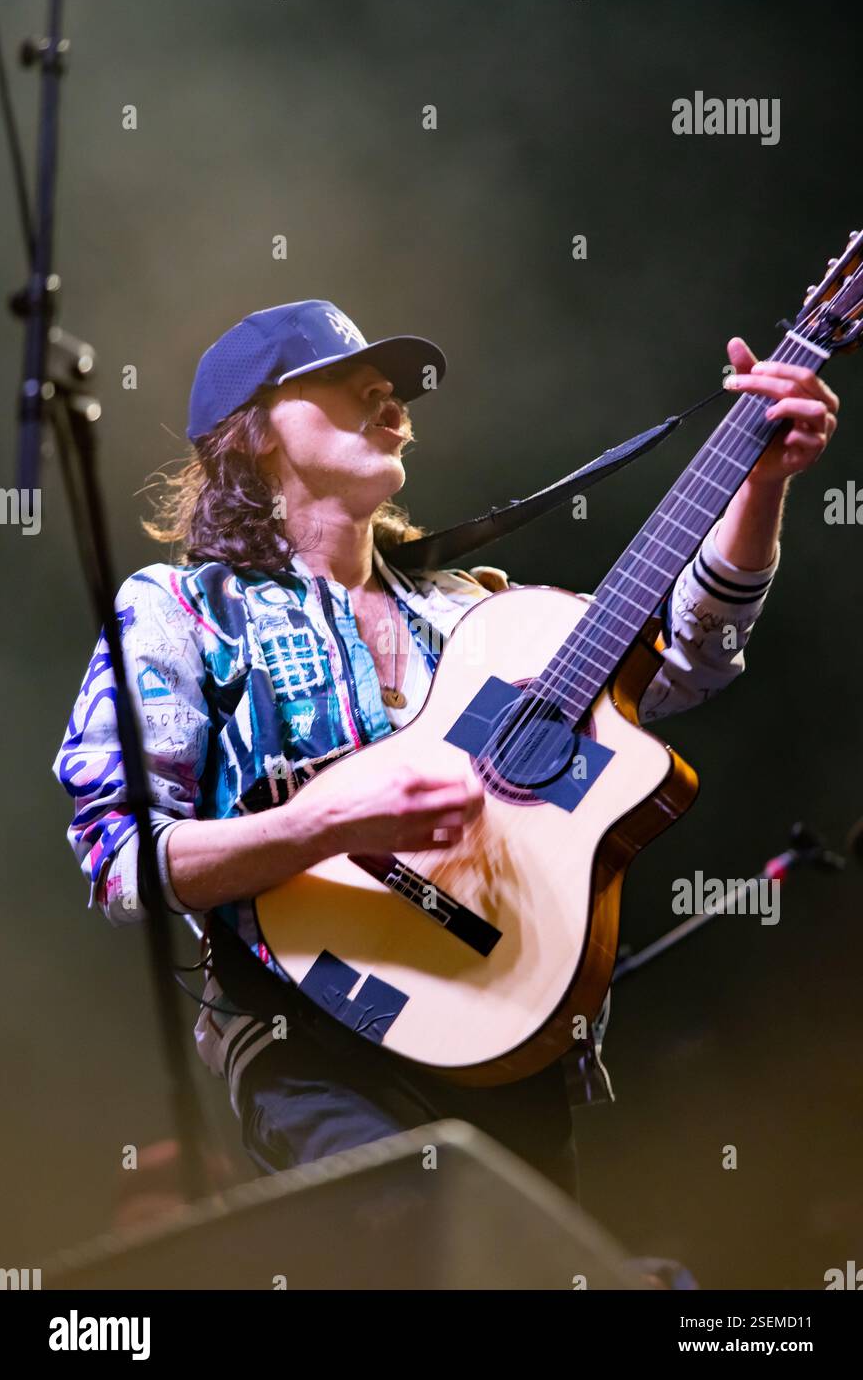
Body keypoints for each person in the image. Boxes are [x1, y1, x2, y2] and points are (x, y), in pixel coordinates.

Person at [52, 300, 838, 1201]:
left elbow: (686, 662)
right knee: (415, 1239)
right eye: (355, 389)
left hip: (506, 1030)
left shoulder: (480, 615)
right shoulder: (182, 611)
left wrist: (760, 486)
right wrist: (318, 825)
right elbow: (120, 865)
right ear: (258, 428)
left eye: (393, 393)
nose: (392, 407)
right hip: (314, 1032)